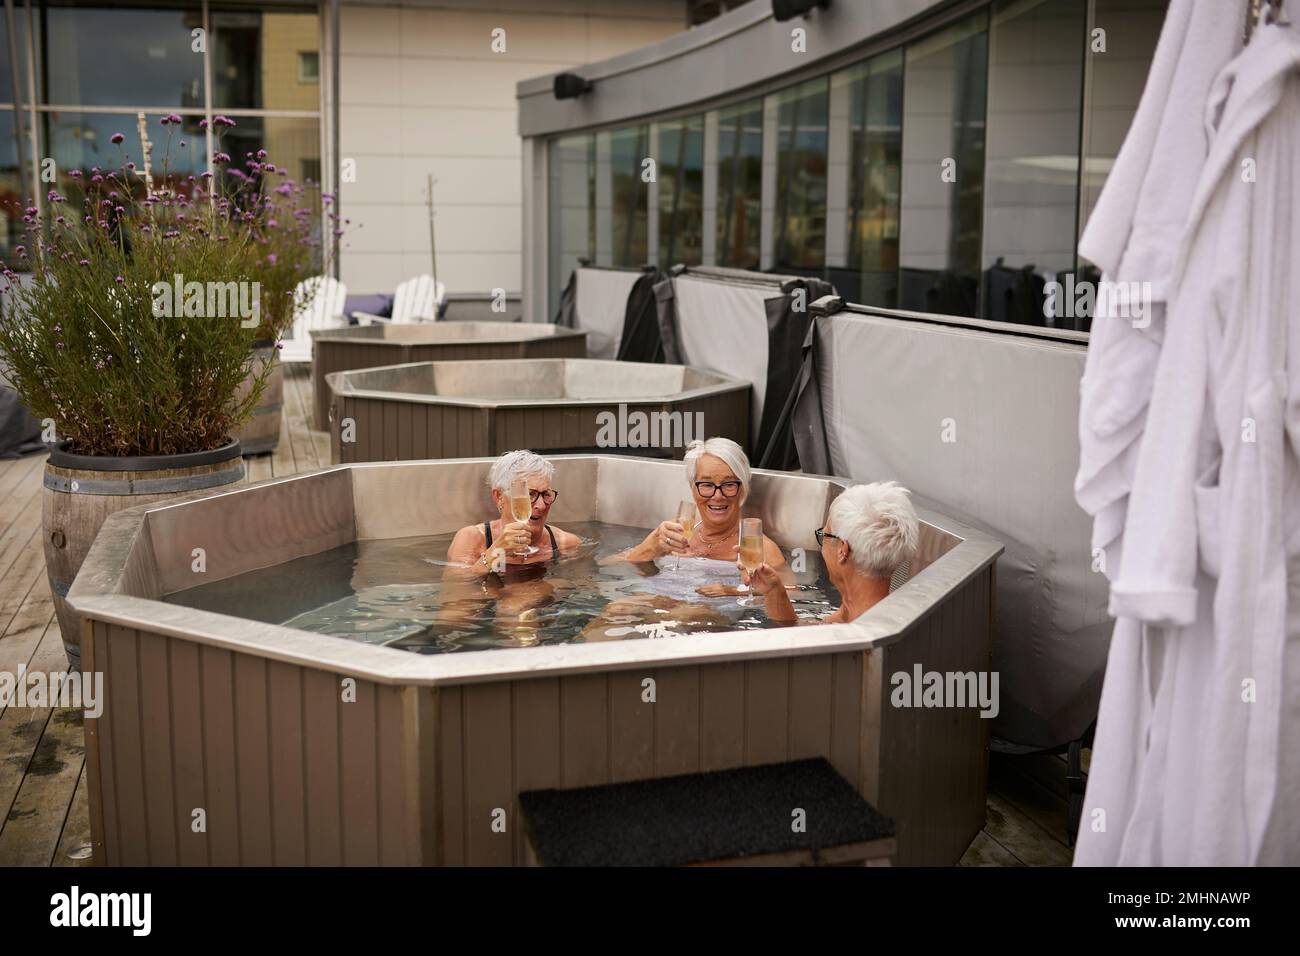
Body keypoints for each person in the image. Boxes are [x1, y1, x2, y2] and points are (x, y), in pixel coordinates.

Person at [745, 481, 918, 624]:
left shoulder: (863, 632)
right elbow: (803, 636)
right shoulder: (855, 609)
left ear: (843, 550)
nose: (822, 545)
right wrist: (774, 591)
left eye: (825, 534)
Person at [446, 450, 582, 575]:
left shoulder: (566, 544)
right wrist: (495, 552)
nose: (541, 505)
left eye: (546, 494)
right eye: (530, 494)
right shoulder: (472, 540)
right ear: (499, 496)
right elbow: (456, 593)